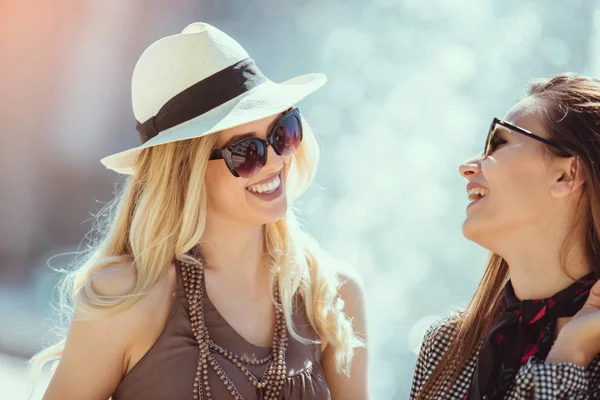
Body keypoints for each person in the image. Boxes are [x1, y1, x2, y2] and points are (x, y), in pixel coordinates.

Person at [32, 22, 368, 400]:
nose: (275, 161)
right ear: (184, 171)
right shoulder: (129, 298)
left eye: (282, 132)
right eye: (246, 152)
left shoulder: (332, 294)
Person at [410, 73, 600, 399]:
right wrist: (569, 355)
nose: (467, 166)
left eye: (498, 143)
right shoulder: (445, 346)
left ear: (565, 174)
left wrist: (570, 356)